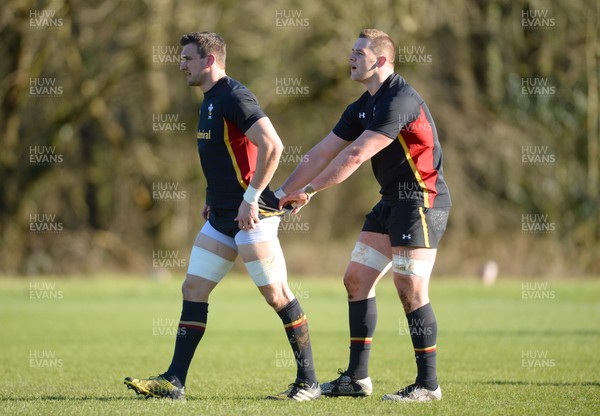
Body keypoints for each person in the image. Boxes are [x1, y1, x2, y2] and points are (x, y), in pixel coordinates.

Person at [124, 31, 320, 401]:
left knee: (277, 295)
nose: (180, 64)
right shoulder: (209, 99)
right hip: (220, 216)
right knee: (193, 289)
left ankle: (308, 383)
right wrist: (212, 197)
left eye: (187, 58)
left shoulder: (234, 95)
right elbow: (224, 157)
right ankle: (174, 382)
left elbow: (272, 146)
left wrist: (251, 198)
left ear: (210, 60)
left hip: (252, 218)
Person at [278, 28, 451, 403]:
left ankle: (428, 385)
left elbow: (355, 156)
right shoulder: (363, 104)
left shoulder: (399, 99)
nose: (351, 57)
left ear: (382, 60)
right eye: (351, 51)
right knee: (356, 280)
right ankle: (356, 379)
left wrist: (308, 192)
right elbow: (323, 151)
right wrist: (279, 193)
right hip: (391, 200)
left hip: (422, 200)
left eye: (359, 52)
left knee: (410, 288)